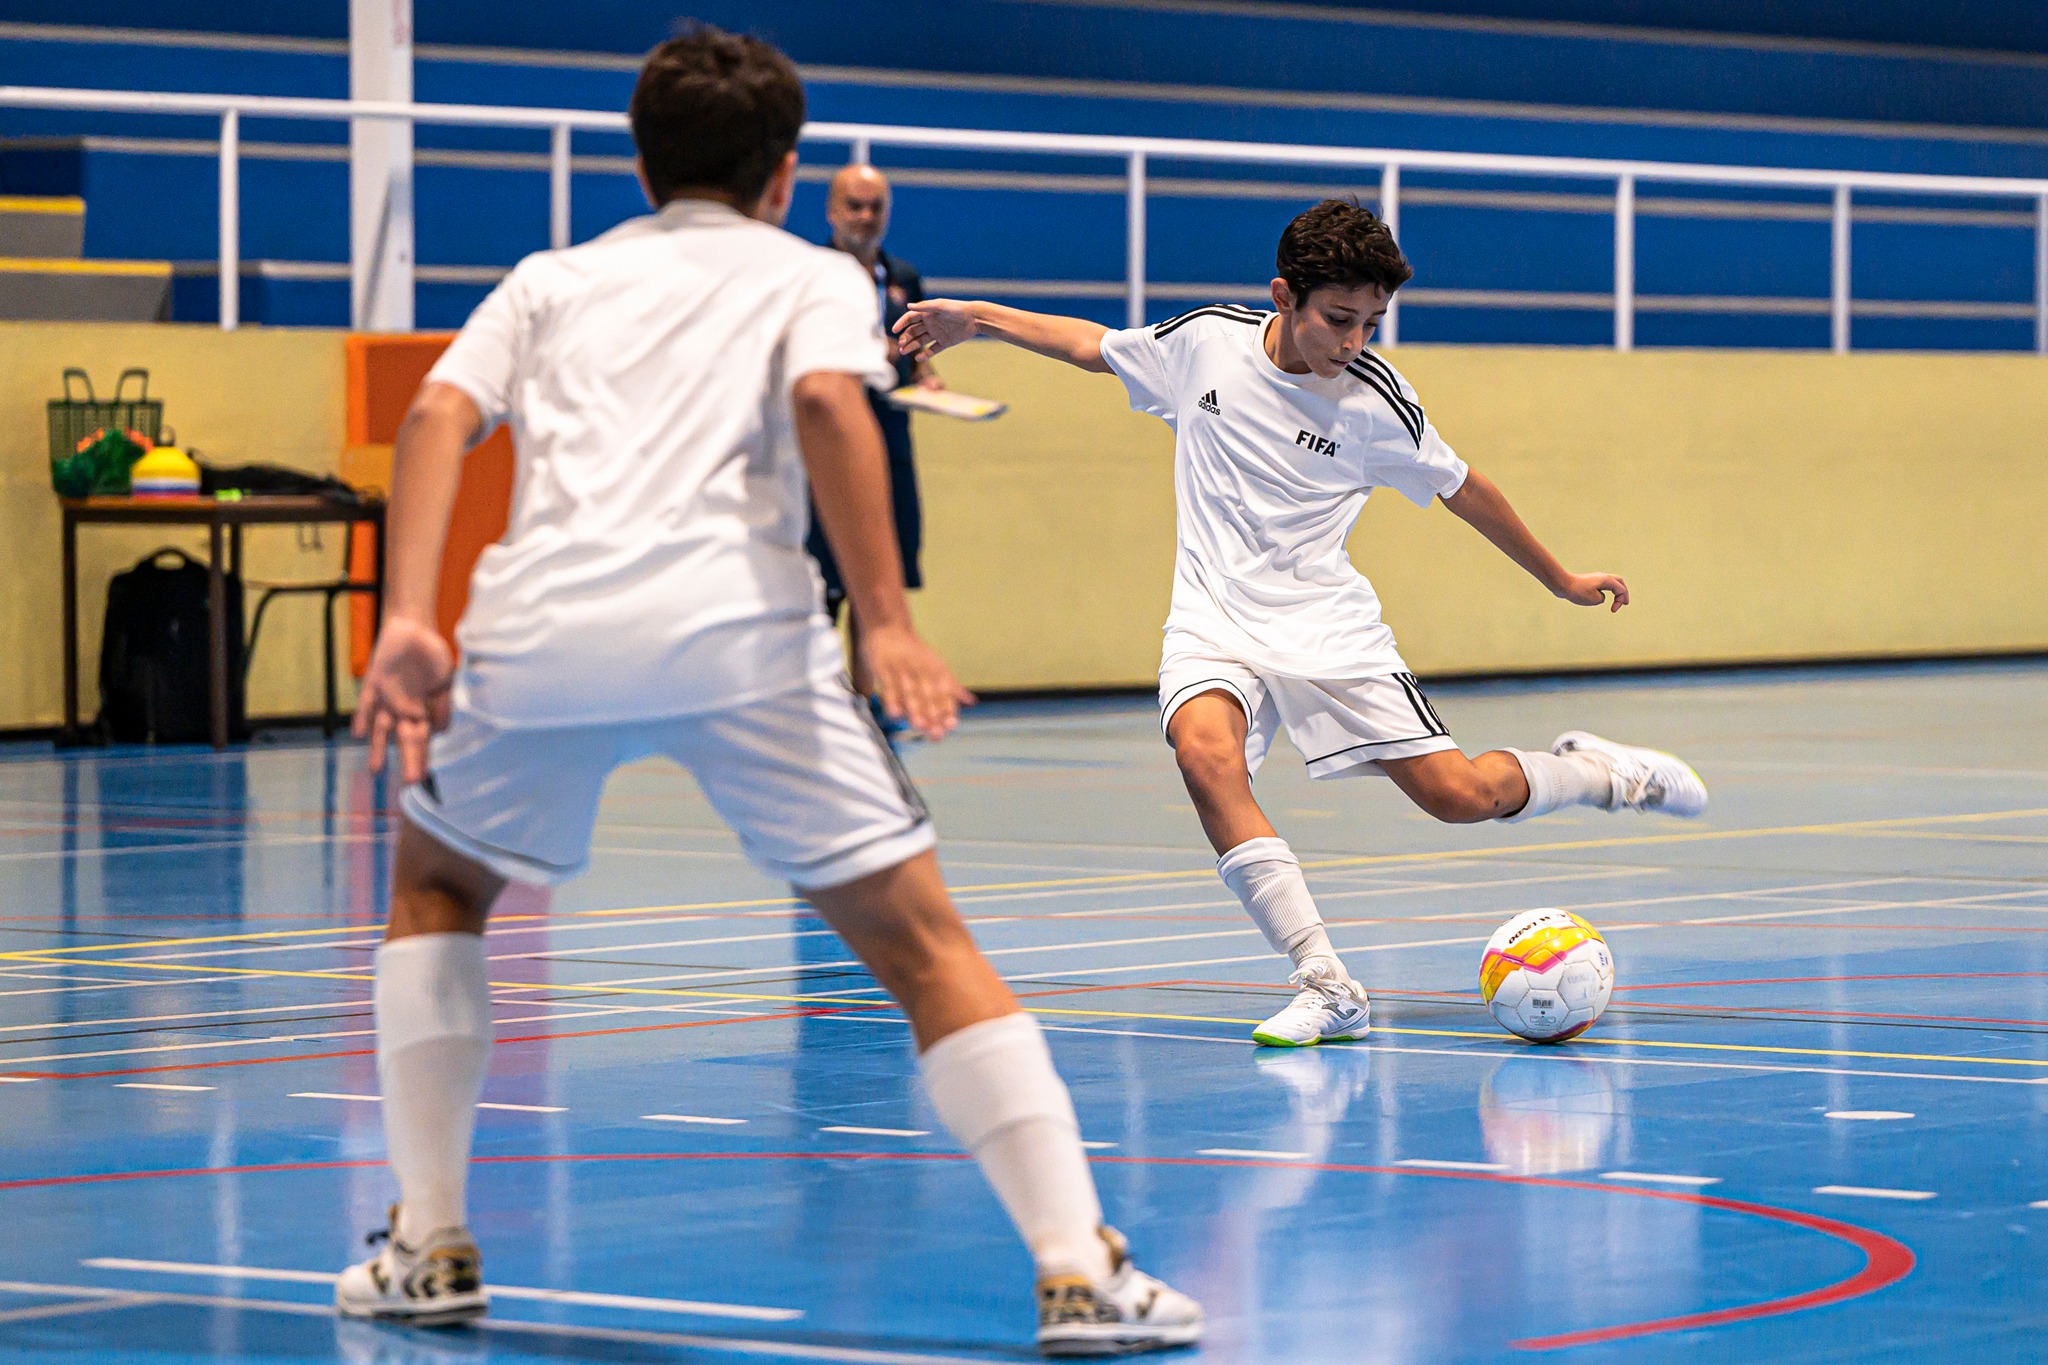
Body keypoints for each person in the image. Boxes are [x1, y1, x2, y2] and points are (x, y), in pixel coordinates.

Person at [337, 26, 1200, 1357]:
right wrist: (894, 622)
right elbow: (829, 409)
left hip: (541, 631)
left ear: (639, 159)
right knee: (922, 948)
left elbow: (436, 420)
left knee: (439, 890)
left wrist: (407, 619)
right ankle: (1079, 1268)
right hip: (741, 636)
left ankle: (430, 1242)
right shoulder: (812, 280)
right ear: (787, 174)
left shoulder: (549, 279)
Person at [895, 197, 1707, 1049]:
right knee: (1206, 757)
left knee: (1458, 796)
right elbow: (1089, 346)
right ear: (1284, 296)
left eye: (1372, 323)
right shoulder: (1206, 341)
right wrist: (974, 320)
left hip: (1326, 627)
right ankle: (1326, 981)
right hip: (1212, 618)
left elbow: (1467, 490)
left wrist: (1561, 578)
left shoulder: (1375, 401)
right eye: (1339, 320)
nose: (1354, 342)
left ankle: (1601, 773)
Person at [805, 163, 941, 742]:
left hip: (889, 449)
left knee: (876, 582)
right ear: (831, 210)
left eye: (874, 207)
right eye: (853, 206)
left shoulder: (903, 277)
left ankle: (869, 706)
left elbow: (921, 356)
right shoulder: (808, 277)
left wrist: (928, 377)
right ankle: (811, 704)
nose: (864, 217)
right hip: (824, 456)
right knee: (819, 586)